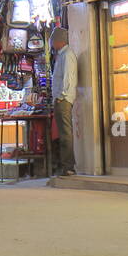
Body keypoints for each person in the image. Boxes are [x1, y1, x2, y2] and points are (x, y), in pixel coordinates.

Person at [49, 27, 78, 176]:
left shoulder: (67, 55)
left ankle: (69, 167)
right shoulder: (62, 55)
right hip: (61, 99)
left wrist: (62, 96)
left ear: (59, 41)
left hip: (64, 100)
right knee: (63, 133)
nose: (52, 44)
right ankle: (66, 165)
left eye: (53, 41)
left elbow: (68, 78)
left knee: (65, 133)